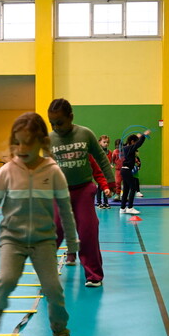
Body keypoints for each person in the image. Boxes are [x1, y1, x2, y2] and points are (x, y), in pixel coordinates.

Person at [0, 112, 78, 336]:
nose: (21, 148)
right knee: (7, 279)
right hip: (12, 239)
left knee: (54, 289)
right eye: (17, 142)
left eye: (27, 142)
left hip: (44, 240)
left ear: (42, 142)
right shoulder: (7, 172)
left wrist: (72, 241)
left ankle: (60, 331)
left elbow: (66, 209)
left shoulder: (53, 172)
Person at [47, 98, 115, 287]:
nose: (56, 127)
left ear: (71, 117)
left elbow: (101, 158)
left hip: (84, 190)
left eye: (60, 122)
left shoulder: (85, 134)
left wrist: (110, 182)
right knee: (54, 229)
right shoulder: (49, 139)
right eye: (52, 123)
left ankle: (93, 275)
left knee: (88, 229)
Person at [119, 130, 151, 215]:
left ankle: (122, 208)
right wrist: (143, 135)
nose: (136, 145)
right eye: (135, 142)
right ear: (132, 142)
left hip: (124, 170)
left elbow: (135, 144)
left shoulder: (126, 147)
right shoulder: (129, 147)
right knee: (133, 188)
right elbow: (138, 144)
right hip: (126, 170)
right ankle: (130, 207)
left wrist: (138, 137)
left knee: (126, 189)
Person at [95, 135, 111, 208]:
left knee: (106, 187)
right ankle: (98, 202)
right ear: (99, 142)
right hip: (100, 172)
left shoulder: (109, 152)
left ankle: (106, 202)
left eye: (107, 142)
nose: (106, 144)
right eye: (104, 142)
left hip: (106, 172)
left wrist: (110, 165)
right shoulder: (98, 152)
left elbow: (109, 161)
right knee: (100, 187)